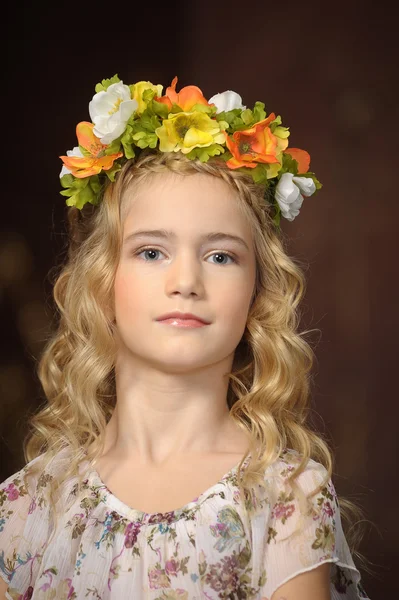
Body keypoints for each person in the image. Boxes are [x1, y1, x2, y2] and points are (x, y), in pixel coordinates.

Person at [0, 75, 371, 599]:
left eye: (220, 256)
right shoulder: (28, 508)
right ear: (102, 283)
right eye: (151, 252)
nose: (186, 283)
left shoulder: (287, 499)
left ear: (256, 296)